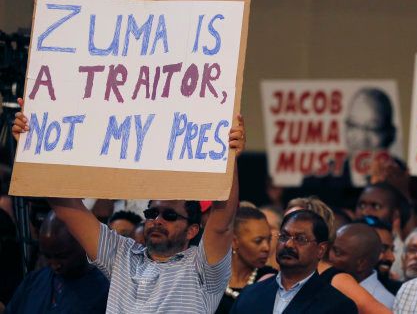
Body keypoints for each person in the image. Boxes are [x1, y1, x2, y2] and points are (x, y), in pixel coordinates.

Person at [12, 105, 246, 313]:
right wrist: (31, 146)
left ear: (192, 230)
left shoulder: (202, 267)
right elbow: (68, 209)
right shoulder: (122, 255)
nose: (157, 220)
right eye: (152, 213)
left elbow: (222, 224)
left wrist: (230, 158)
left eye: (170, 215)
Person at [230, 210, 357, 314]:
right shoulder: (250, 294)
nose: (289, 244)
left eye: (300, 239)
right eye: (284, 237)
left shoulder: (338, 305)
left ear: (321, 249)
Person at [285, 198, 392, 314]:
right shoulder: (278, 275)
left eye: (298, 223)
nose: (289, 228)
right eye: (285, 221)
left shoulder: (336, 280)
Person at [5, 212, 109, 313]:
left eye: (62, 256)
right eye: (47, 256)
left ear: (83, 245)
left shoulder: (106, 291)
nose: (54, 264)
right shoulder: (34, 282)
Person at [215, 207, 277, 314]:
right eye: (258, 241)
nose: (266, 247)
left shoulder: (272, 281)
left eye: (269, 239)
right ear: (234, 241)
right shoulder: (210, 279)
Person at [329, 223, 395, 309]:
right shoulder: (323, 282)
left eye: (337, 252)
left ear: (361, 264)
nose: (329, 256)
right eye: (329, 248)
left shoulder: (384, 303)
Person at [355, 182, 410, 282]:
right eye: (362, 205)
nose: (365, 212)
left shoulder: (402, 256)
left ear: (395, 215)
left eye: (376, 206)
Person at [356, 215, 402, 295]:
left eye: (392, 250)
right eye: (382, 249)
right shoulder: (334, 284)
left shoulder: (399, 292)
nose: (392, 258)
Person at [345, 88, 397, 155]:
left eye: (372, 128)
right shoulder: (335, 164)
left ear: (391, 134)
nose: (361, 138)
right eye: (352, 125)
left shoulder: (402, 165)